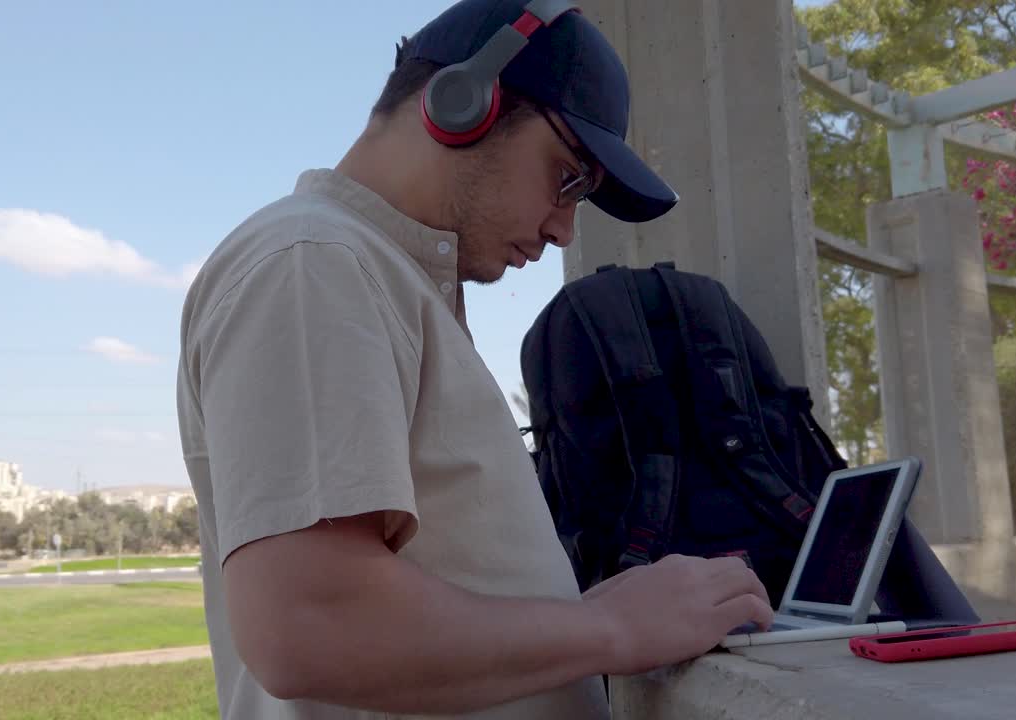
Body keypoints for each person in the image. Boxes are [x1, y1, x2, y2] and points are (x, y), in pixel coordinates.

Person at [175, 1, 774, 717]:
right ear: (462, 103)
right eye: (567, 177)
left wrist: (587, 608)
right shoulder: (316, 265)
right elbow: (311, 623)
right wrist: (609, 627)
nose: (562, 229)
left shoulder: (374, 276)